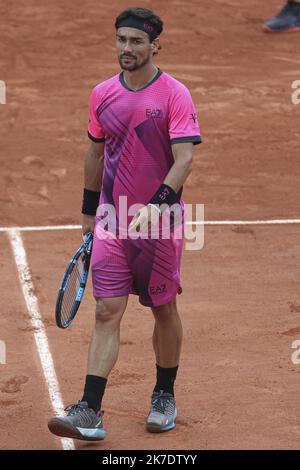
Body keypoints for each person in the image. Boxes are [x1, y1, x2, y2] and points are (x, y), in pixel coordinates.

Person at [48, 6, 201, 442]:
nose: (127, 49)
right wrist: (87, 212)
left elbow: (185, 158)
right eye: (121, 40)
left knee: (162, 308)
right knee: (106, 310)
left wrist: (157, 204)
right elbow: (95, 153)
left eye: (136, 41)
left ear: (155, 45)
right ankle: (90, 410)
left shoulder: (174, 94)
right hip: (113, 221)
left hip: (162, 222)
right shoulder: (102, 94)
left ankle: (164, 395)